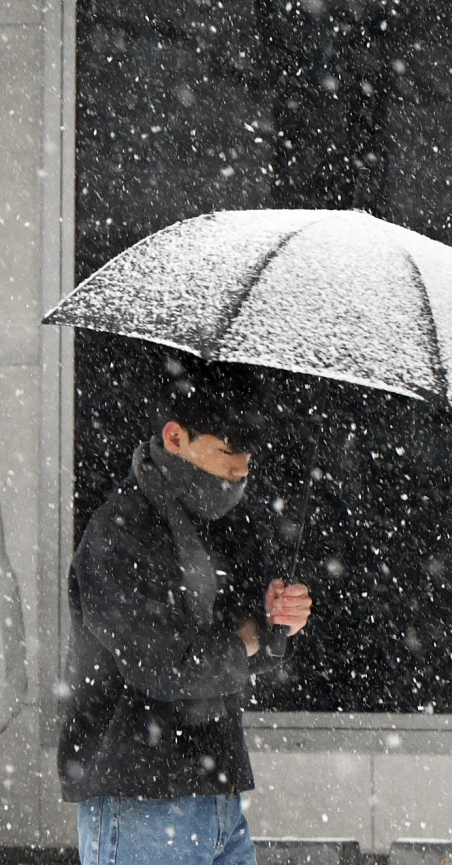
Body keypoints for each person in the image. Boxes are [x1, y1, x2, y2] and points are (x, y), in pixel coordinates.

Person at [58, 360, 312, 865]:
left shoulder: (221, 521)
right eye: (227, 451)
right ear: (175, 437)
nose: (241, 468)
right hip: (138, 794)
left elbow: (242, 651)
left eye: (248, 455)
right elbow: (165, 666)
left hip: (215, 787)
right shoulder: (120, 532)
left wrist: (277, 619)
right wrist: (250, 639)